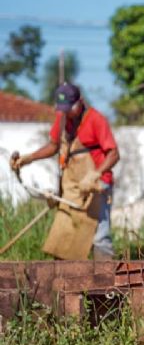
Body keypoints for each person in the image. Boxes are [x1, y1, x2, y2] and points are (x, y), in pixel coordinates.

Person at [10, 83, 120, 259]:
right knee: (63, 238)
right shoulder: (63, 118)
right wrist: (28, 159)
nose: (67, 112)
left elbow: (114, 154)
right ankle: (66, 284)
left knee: (99, 238)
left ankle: (108, 283)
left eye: (70, 108)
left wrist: (95, 174)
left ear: (80, 101)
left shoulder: (96, 119)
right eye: (63, 109)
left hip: (97, 185)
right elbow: (53, 146)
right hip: (72, 187)